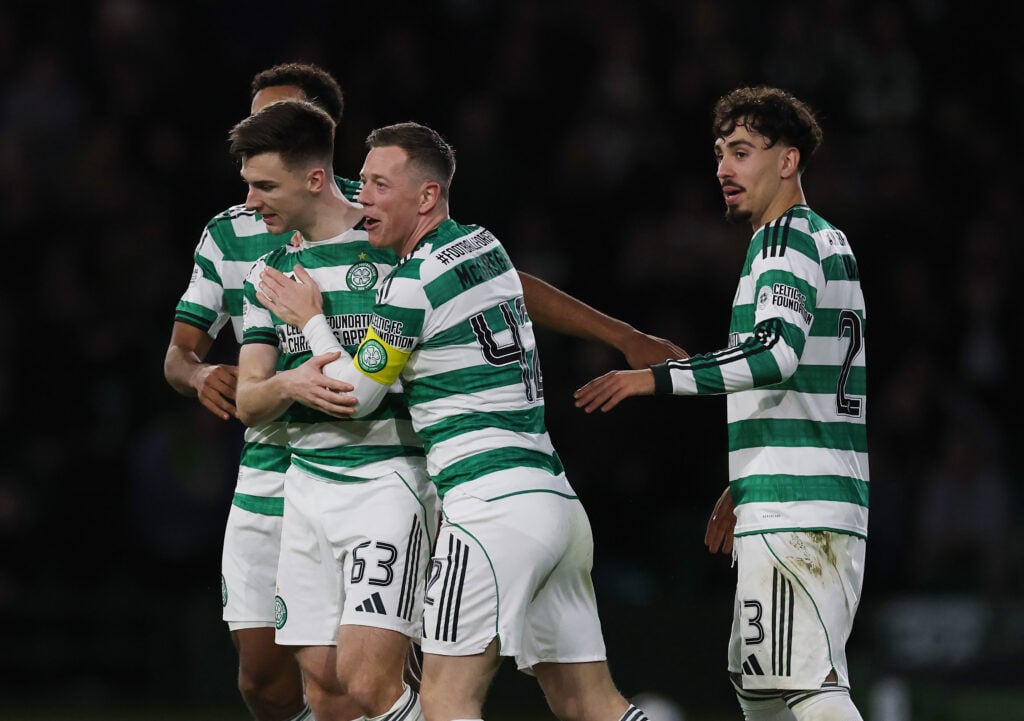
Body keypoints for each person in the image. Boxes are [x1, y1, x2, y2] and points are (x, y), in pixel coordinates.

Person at [257, 117, 654, 721]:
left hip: (489, 514)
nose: (362, 195)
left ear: (427, 196)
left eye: (380, 185)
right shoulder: (485, 244)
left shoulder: (414, 285)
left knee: (444, 702)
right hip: (555, 504)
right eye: (361, 181)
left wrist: (312, 318)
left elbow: (354, 397)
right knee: (592, 706)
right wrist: (622, 332)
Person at [573, 85, 868, 721]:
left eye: (740, 152)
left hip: (801, 506)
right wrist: (748, 482)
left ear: (787, 162)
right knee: (759, 684)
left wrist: (655, 378)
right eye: (718, 155)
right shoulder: (824, 240)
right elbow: (805, 381)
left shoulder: (785, 243)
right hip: (795, 492)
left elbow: (775, 355)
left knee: (807, 685)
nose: (723, 170)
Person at [163, 62, 362, 721]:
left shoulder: (381, 215)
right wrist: (199, 375)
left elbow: (480, 276)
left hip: (363, 459)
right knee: (261, 679)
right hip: (270, 459)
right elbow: (179, 354)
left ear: (321, 139)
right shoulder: (233, 233)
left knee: (353, 671)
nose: (257, 135)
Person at [230, 99, 435, 721]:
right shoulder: (269, 272)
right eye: (247, 185)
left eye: (265, 186)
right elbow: (248, 396)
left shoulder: (392, 248)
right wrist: (291, 387)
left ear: (314, 179)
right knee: (322, 687)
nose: (250, 201)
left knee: (373, 682)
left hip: (387, 482)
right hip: (306, 488)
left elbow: (365, 387)